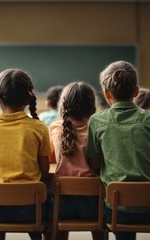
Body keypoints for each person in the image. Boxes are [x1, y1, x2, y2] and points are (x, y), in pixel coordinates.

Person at [85, 60, 150, 240]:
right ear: (136, 91)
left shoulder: (97, 121)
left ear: (106, 93)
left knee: (121, 222)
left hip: (119, 210)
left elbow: (95, 164)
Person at [0, 68, 51, 240]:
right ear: (29, 96)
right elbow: (45, 170)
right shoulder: (39, 127)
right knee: (50, 203)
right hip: (31, 208)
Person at [49, 82, 104, 240]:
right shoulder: (97, 130)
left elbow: (52, 159)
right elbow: (97, 165)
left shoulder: (55, 128)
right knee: (101, 217)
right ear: (92, 109)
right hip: (93, 204)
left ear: (63, 108)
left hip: (61, 204)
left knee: (54, 216)